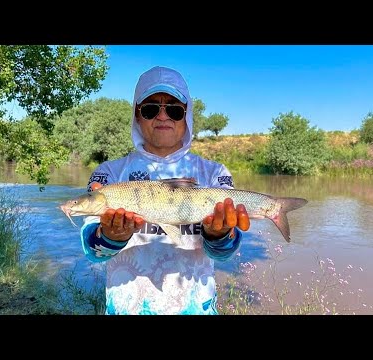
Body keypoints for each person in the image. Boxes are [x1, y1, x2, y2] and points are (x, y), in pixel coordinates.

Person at [80, 65, 251, 315]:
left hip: (196, 308)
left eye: (173, 109)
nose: (162, 117)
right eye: (150, 109)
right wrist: (110, 237)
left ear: (187, 114)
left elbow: (225, 254)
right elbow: (93, 253)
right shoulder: (108, 175)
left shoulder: (215, 174)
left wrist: (218, 235)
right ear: (137, 116)